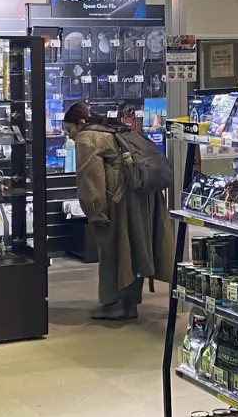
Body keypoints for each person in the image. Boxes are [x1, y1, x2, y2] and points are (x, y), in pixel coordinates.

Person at [67, 101, 175, 319]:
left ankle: (117, 305)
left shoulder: (87, 138)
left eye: (69, 130)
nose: (69, 136)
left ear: (81, 123)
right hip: (144, 194)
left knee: (116, 250)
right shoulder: (114, 128)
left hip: (120, 199)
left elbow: (91, 180)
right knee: (137, 248)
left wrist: (96, 212)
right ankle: (130, 303)